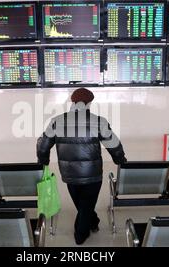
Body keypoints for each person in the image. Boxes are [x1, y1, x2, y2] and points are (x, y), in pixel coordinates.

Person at [37, 87, 127, 245]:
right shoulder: (98, 121)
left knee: (82, 203)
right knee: (86, 203)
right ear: (89, 102)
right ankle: (80, 234)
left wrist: (43, 159)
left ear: (73, 101)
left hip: (68, 173)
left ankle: (93, 222)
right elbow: (113, 143)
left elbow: (43, 144)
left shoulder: (57, 120)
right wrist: (120, 158)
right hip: (93, 173)